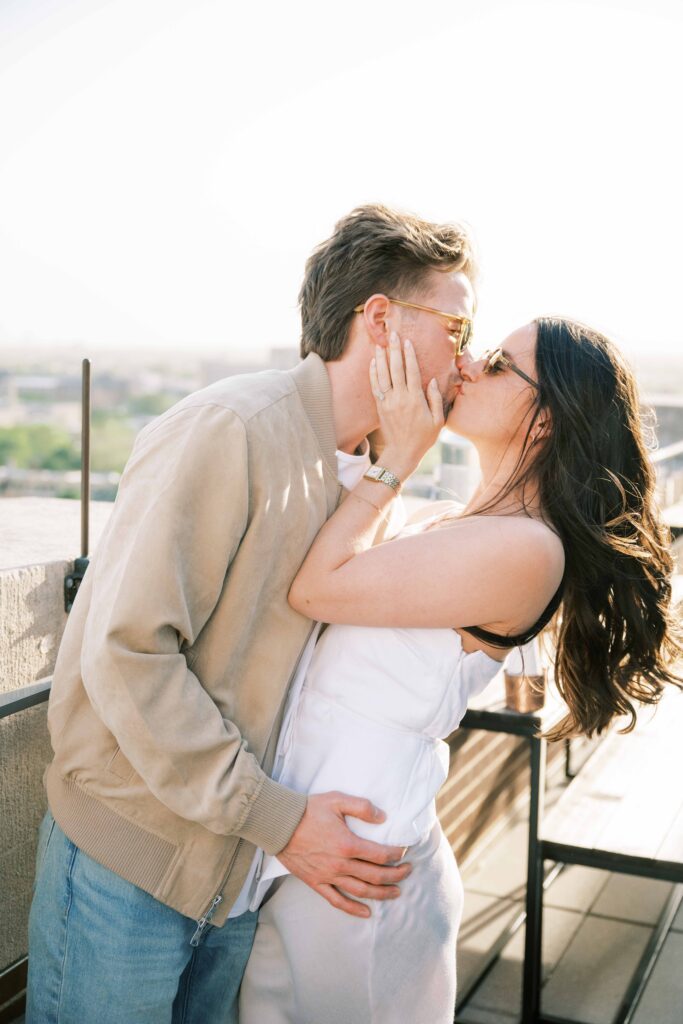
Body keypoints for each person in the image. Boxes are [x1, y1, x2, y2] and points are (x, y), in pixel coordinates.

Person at [26, 204, 479, 1024]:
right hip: (131, 868)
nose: (469, 355)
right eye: (458, 323)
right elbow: (128, 653)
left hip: (243, 877)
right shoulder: (230, 429)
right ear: (379, 319)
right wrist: (280, 820)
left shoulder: (371, 472)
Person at [238, 317, 683, 1023]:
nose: (470, 363)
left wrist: (398, 456)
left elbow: (313, 590)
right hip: (328, 846)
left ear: (545, 421)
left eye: (501, 365)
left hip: (360, 866)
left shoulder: (526, 550)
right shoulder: (451, 520)